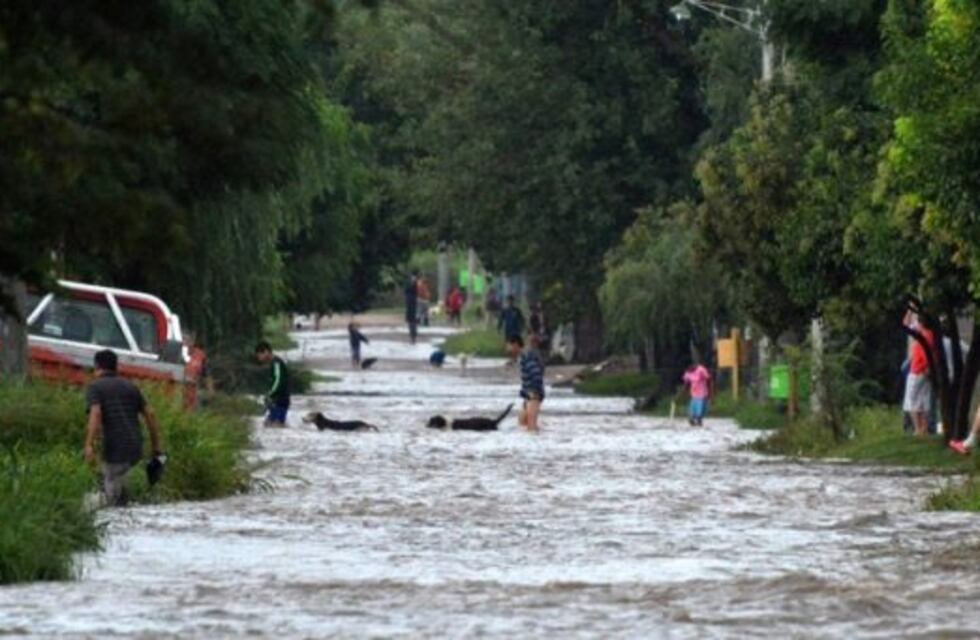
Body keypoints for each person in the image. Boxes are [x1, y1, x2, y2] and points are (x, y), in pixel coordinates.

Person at [83, 349, 164, 506]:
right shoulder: (130, 386)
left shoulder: (95, 387)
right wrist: (156, 446)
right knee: (121, 488)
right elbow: (150, 414)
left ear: (97, 366)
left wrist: (88, 445)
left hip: (115, 446)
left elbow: (96, 413)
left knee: (110, 494)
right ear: (116, 367)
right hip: (135, 446)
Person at [902, 311, 935, 437]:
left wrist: (909, 310)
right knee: (924, 400)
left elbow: (905, 324)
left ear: (921, 323)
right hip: (927, 371)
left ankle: (917, 429)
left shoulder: (921, 335)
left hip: (917, 369)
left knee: (912, 400)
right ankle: (924, 428)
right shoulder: (931, 334)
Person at [507, 334, 544, 431]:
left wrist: (534, 392)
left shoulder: (527, 356)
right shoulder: (522, 357)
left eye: (509, 346)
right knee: (522, 422)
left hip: (534, 395)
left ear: (515, 344)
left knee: (531, 426)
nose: (508, 349)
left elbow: (536, 373)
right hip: (527, 395)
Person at [255, 341, 290, 427]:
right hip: (276, 400)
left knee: (276, 425)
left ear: (266, 352)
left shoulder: (276, 363)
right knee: (269, 424)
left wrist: (270, 393)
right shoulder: (273, 363)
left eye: (259, 355)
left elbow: (278, 380)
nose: (259, 358)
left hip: (281, 399)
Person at [682, 359, 712, 426]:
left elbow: (708, 379)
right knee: (693, 406)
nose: (689, 370)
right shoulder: (688, 372)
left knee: (702, 407)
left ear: (694, 365)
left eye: (690, 368)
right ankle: (692, 419)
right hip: (694, 392)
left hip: (702, 392)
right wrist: (683, 392)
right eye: (688, 369)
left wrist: (710, 391)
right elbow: (686, 383)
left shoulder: (701, 369)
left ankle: (699, 419)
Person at [405, 271, 419, 344]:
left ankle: (413, 336)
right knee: (412, 321)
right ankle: (413, 336)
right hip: (411, 303)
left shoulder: (413, 284)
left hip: (411, 304)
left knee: (412, 321)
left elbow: (410, 290)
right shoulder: (412, 283)